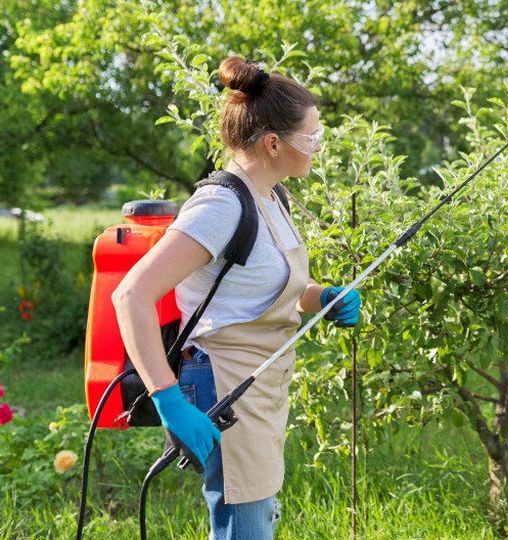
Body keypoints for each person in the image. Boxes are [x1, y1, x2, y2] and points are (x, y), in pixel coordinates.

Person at [112, 55, 361, 539]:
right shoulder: (222, 205)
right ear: (273, 143)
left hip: (258, 383)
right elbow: (132, 295)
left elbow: (259, 289)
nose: (319, 147)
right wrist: (168, 401)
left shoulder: (271, 196)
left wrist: (320, 297)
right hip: (222, 383)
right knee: (244, 529)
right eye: (312, 138)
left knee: (255, 521)